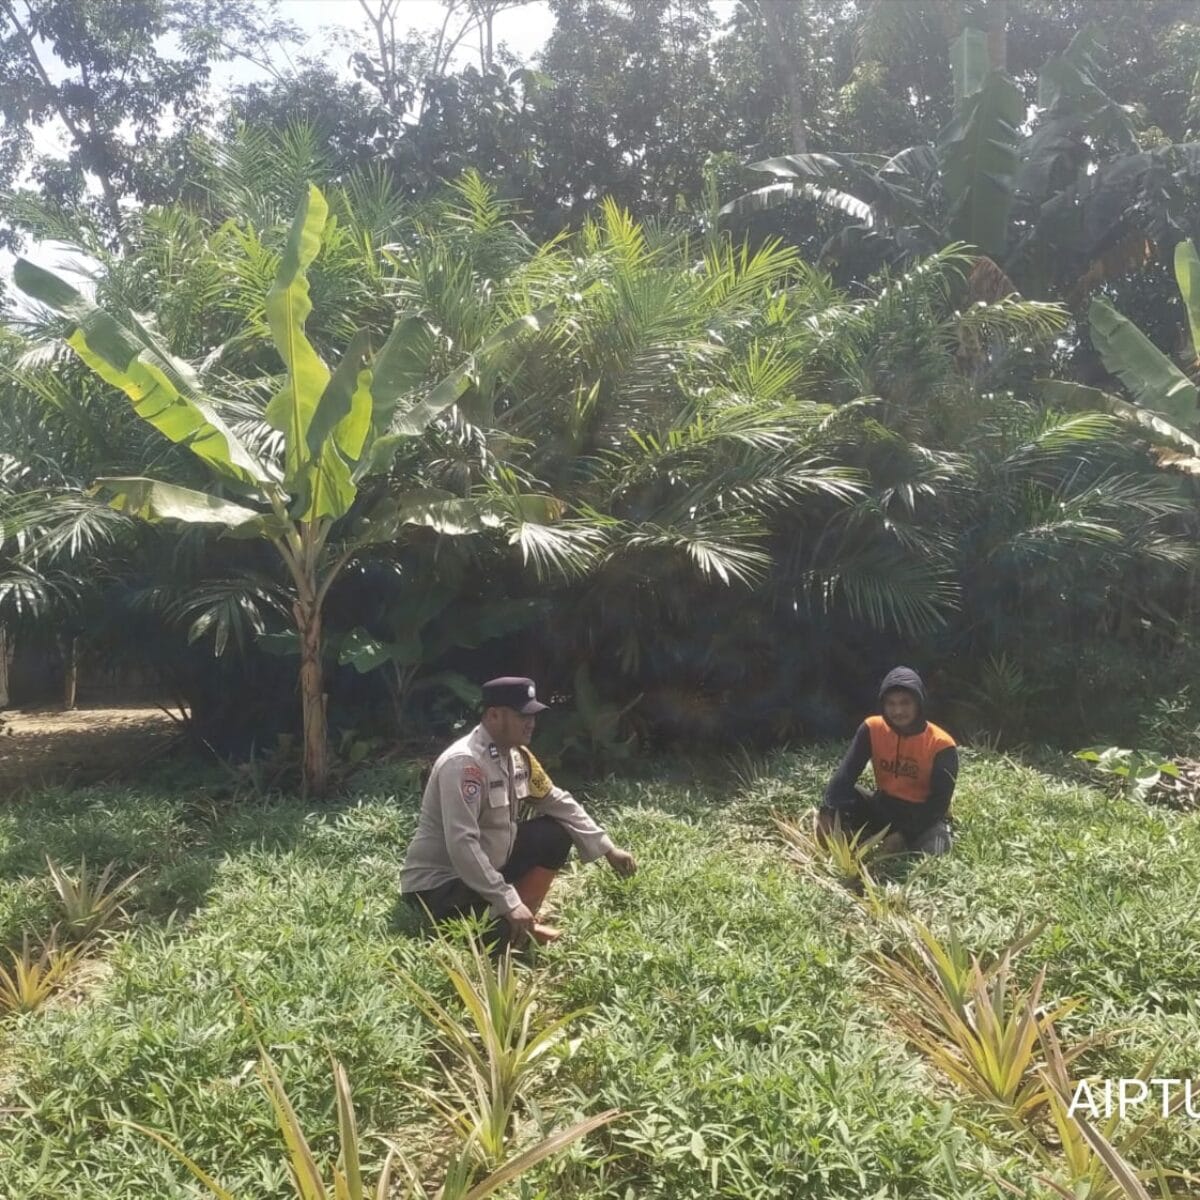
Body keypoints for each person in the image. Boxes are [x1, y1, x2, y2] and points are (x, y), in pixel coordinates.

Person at [401, 675, 637, 947]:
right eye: (522, 716)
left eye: (533, 715)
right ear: (494, 715)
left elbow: (556, 800)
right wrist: (508, 901)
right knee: (497, 938)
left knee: (555, 833)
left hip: (488, 868)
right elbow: (462, 844)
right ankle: (515, 921)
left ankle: (524, 918)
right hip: (441, 884)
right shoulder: (464, 765)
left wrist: (608, 848)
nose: (531, 723)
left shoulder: (517, 756)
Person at [817, 666, 958, 857]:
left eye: (905, 703)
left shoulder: (941, 744)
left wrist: (904, 835)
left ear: (919, 703)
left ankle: (899, 844)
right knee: (840, 796)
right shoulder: (872, 728)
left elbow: (938, 804)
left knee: (936, 848)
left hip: (921, 815)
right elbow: (846, 774)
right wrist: (827, 810)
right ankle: (863, 840)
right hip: (883, 806)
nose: (898, 711)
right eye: (891, 704)